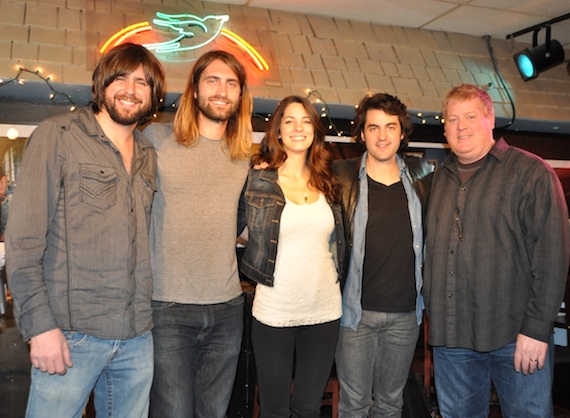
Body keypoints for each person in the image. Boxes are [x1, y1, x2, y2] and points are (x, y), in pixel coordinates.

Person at [5, 42, 166, 418]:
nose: (131, 89)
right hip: (70, 335)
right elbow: (24, 241)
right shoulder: (58, 135)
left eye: (143, 82)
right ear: (102, 82)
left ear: (153, 95)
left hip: (137, 336)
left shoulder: (147, 154)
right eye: (122, 77)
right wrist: (40, 327)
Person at [423, 84, 570, 418]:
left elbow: (552, 257)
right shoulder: (438, 180)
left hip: (515, 338)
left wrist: (536, 329)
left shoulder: (530, 173)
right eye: (452, 119)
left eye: (470, 116)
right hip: (452, 339)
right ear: (444, 128)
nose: (461, 126)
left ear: (490, 119)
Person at [144, 50, 253, 418]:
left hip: (227, 308)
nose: (222, 91)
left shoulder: (243, 156)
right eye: (212, 80)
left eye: (231, 83)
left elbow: (244, 227)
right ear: (193, 90)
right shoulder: (157, 140)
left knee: (214, 413)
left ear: (240, 96)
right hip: (168, 307)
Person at [237, 95, 344, 418]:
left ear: (315, 131)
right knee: (274, 409)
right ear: (278, 132)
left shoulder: (329, 179)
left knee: (309, 407)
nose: (299, 128)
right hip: (274, 311)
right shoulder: (258, 178)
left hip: (325, 311)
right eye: (289, 121)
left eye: (306, 121)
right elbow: (238, 232)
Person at [333, 92, 433, 417]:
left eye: (390, 127)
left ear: (402, 133)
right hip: (355, 315)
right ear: (361, 134)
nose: (381, 135)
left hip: (406, 315)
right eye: (373, 127)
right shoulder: (340, 176)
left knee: (391, 405)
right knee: (354, 407)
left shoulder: (422, 178)